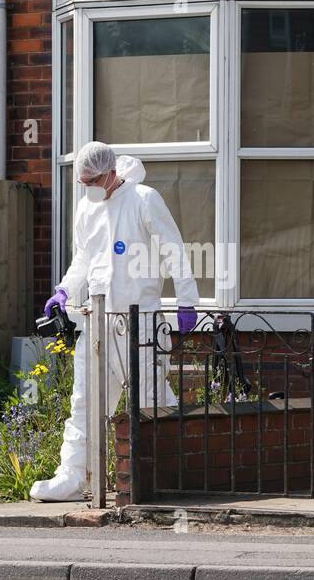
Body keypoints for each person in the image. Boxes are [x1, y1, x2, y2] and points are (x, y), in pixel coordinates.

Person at [33, 142, 199, 501]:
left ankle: (161, 474)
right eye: (82, 181)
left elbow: (173, 249)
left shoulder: (143, 199)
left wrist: (187, 301)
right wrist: (63, 290)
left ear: (110, 174)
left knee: (151, 400)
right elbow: (83, 259)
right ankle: (76, 476)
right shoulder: (86, 208)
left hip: (140, 320)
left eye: (91, 179)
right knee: (85, 402)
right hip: (96, 321)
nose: (87, 187)